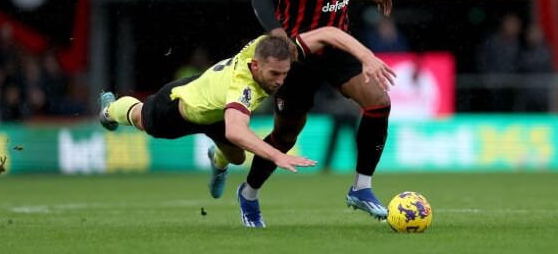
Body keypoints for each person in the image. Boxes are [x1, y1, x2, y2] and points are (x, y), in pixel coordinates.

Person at [99, 26, 395, 226]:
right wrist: (278, 155)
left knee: (237, 156)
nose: (280, 81)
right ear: (255, 67)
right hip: (179, 108)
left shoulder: (275, 50)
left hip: (217, 109)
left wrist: (366, 56)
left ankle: (218, 158)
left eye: (285, 73)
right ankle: (110, 107)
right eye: (274, 74)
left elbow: (330, 32)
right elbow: (236, 131)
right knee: (139, 118)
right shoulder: (244, 85)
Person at [245, 0, 394, 227]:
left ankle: (361, 187)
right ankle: (249, 193)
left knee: (378, 102)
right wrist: (277, 34)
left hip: (336, 47)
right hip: (299, 55)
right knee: (286, 136)